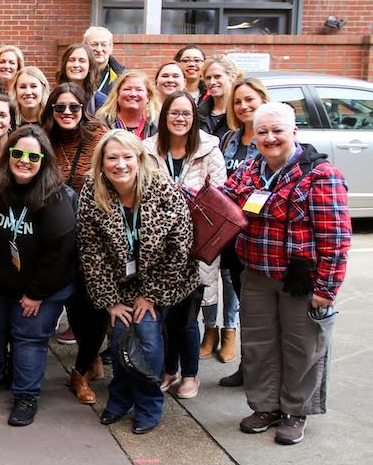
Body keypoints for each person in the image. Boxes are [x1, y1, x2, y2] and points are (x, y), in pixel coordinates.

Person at [220, 103, 350, 445]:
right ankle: (265, 406)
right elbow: (221, 200)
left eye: (277, 130)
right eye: (262, 132)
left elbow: (336, 238)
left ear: (294, 132)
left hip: (301, 280)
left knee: (302, 347)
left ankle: (295, 411)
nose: (270, 138)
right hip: (257, 274)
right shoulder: (250, 170)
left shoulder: (321, 176)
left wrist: (327, 287)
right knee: (260, 345)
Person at [77, 130, 197, 434]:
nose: (120, 164)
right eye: (112, 158)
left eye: (127, 157)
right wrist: (110, 301)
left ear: (140, 159)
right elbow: (91, 250)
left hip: (164, 280)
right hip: (120, 285)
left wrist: (151, 296)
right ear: (102, 163)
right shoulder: (93, 190)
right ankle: (120, 398)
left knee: (146, 335)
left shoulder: (163, 188)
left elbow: (179, 246)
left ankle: (148, 402)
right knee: (119, 337)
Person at [0, 126, 77, 425]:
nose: (24, 160)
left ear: (44, 160)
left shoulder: (56, 196)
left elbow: (61, 253)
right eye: (18, 153)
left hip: (39, 285)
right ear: (8, 153)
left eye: (32, 156)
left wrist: (36, 293)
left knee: (28, 337)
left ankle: (26, 395)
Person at [144, 92, 226, 400]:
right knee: (163, 316)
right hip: (159, 250)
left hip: (196, 248)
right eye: (173, 113)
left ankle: (190, 375)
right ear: (164, 117)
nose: (179, 119)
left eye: (186, 114)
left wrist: (186, 195)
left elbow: (219, 199)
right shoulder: (147, 150)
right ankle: (169, 370)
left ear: (194, 119)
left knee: (187, 318)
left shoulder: (209, 150)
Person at [41, 83, 109, 402]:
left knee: (93, 308)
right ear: (51, 111)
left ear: (84, 109)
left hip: (94, 239)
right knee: (72, 306)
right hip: (57, 238)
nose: (67, 113)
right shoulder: (43, 141)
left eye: (74, 107)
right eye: (59, 108)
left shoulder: (99, 139)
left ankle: (80, 373)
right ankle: (90, 358)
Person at [213, 77, 271, 384]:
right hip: (233, 239)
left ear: (263, 99)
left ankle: (262, 372)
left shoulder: (271, 139)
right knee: (245, 303)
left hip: (262, 238)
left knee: (262, 312)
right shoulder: (230, 139)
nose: (244, 106)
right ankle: (248, 367)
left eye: (250, 99)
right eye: (238, 102)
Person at [96, 70, 159, 139]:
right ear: (117, 95)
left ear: (148, 96)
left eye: (139, 90)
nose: (133, 94)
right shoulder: (102, 123)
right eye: (127, 89)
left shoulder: (158, 124)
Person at [57, 43, 107, 117]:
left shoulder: (100, 101)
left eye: (82, 61)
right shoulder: (53, 97)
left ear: (90, 67)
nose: (76, 65)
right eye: (71, 60)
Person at [199, 55, 243, 139]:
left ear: (232, 77)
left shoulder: (240, 112)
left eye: (217, 76)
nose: (212, 82)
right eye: (208, 78)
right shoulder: (199, 114)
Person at [83, 25, 126, 96]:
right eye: (94, 44)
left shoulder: (123, 76)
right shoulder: (76, 72)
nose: (99, 49)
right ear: (85, 46)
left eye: (103, 45)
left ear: (111, 47)